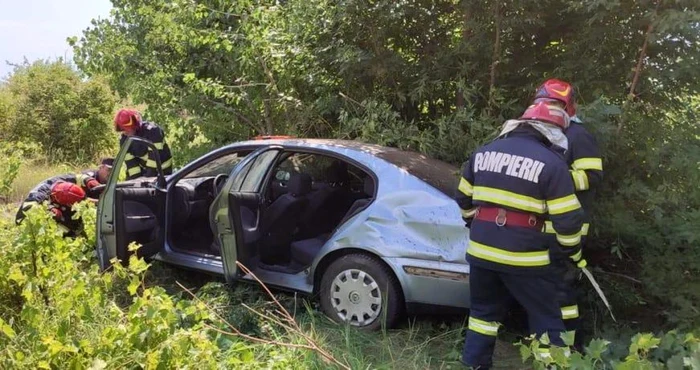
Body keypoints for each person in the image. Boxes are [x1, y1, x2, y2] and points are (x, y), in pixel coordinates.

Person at [455, 99, 586, 368]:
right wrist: (571, 251)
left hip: (481, 253)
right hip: (525, 258)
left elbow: (463, 198)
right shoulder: (552, 164)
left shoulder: (484, 152)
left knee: (482, 316)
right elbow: (568, 220)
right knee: (546, 317)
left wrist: (478, 226)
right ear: (552, 132)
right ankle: (553, 366)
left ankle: (474, 365)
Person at [531, 78, 604, 349]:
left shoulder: (578, 135)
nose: (549, 109)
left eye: (555, 104)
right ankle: (547, 344)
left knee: (562, 291)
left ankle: (570, 346)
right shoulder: (541, 133)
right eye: (545, 104)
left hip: (566, 229)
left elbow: (592, 177)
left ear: (570, 107)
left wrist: (555, 178)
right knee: (543, 291)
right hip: (539, 227)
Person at [15, 158, 113, 236]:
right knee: (66, 231)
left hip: (56, 206)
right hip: (28, 221)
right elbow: (27, 207)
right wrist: (49, 210)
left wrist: (88, 180)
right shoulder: (40, 194)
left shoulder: (63, 180)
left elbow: (77, 177)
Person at [113, 109, 173, 180]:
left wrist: (147, 178)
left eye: (127, 129)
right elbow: (131, 165)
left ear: (135, 124)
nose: (125, 132)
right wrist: (135, 180)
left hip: (163, 170)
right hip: (144, 171)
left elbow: (154, 158)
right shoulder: (124, 140)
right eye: (122, 130)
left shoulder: (153, 131)